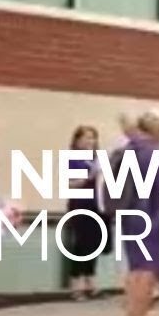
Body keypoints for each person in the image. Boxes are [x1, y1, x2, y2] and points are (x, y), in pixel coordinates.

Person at [120, 111, 159, 316]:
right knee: (148, 269)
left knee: (135, 268)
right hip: (150, 214)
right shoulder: (154, 152)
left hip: (129, 213)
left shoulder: (128, 149)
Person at [66, 125, 104, 300]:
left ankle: (90, 280)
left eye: (93, 137)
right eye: (86, 137)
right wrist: (89, 176)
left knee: (95, 243)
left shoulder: (97, 158)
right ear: (77, 140)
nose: (90, 141)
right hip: (80, 203)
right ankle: (76, 283)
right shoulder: (73, 158)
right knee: (81, 245)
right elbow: (71, 183)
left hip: (97, 204)